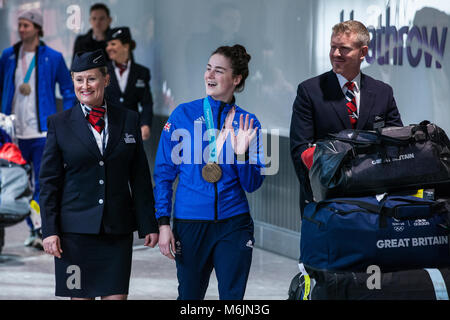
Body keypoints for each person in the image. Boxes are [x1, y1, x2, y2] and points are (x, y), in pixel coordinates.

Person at [39, 50, 158, 300]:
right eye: (79, 79)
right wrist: (49, 229)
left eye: (91, 79)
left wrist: (148, 222)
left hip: (117, 232)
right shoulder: (59, 123)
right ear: (72, 81)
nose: (85, 86)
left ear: (106, 79)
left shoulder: (128, 119)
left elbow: (139, 176)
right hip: (74, 235)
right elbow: (49, 182)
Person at [154, 44, 265, 300]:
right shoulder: (182, 115)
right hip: (190, 223)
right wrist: (163, 223)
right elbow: (163, 174)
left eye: (218, 71)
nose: (209, 76)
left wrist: (241, 154)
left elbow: (252, 184)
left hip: (233, 223)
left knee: (232, 298)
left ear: (235, 79)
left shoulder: (248, 123)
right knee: (190, 298)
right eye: (208, 69)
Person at [289, 20, 403, 216]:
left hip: (372, 201)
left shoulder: (383, 92)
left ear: (363, 52)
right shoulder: (310, 91)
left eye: (344, 49)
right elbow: (300, 150)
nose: (335, 54)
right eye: (333, 47)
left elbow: (396, 142)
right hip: (325, 202)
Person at [0, 8, 76, 249]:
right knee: (19, 181)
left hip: (42, 132)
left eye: (26, 25)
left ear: (37, 28)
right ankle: (33, 227)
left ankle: (42, 227)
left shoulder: (52, 57)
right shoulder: (8, 56)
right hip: (13, 132)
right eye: (19, 25)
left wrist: (67, 116)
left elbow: (67, 87)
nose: (21, 29)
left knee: (44, 181)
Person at [105, 27, 153, 140]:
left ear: (126, 46)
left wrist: (145, 124)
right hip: (107, 130)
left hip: (132, 130)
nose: (108, 48)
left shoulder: (141, 72)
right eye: (107, 45)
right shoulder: (102, 71)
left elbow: (146, 103)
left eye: (113, 44)